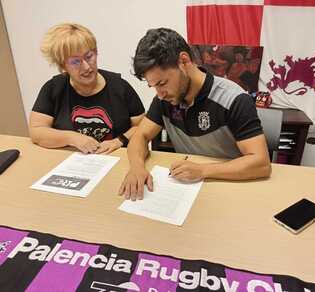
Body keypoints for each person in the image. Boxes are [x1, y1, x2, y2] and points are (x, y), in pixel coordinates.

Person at [119, 28, 271, 200]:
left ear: (184, 61)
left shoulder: (234, 99)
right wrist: (137, 167)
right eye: (153, 86)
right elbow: (141, 135)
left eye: (162, 83)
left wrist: (203, 170)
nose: (159, 93)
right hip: (186, 189)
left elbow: (261, 164)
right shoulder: (164, 100)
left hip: (229, 186)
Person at [29, 23, 145, 154]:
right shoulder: (53, 88)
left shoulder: (120, 87)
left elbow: (142, 126)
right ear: (63, 66)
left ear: (96, 52)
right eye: (75, 61)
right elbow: (36, 131)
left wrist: (118, 141)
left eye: (89, 56)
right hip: (71, 162)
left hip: (115, 159)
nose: (86, 67)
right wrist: (73, 138)